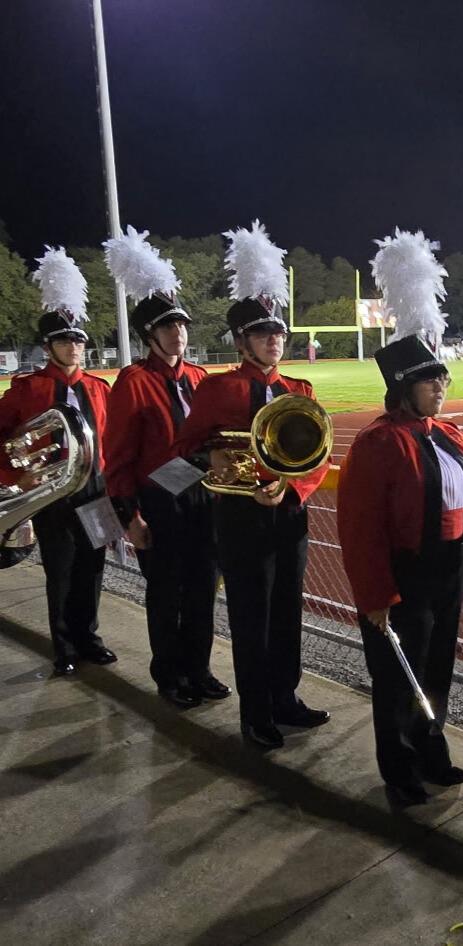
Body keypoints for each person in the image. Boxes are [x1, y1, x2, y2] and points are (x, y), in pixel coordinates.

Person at [338, 228, 463, 807]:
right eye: (430, 378)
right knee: (398, 675)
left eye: (443, 376)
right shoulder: (377, 442)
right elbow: (360, 530)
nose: (441, 385)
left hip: (446, 569)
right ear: (403, 386)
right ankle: (399, 767)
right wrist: (375, 595)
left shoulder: (450, 435)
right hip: (403, 575)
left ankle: (432, 750)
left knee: (437, 667)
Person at [173, 221, 330, 748]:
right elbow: (185, 448)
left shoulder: (299, 389)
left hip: (288, 514)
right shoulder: (218, 390)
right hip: (240, 517)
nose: (274, 341)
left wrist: (293, 489)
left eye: (278, 333)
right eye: (263, 334)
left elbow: (318, 457)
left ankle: (286, 698)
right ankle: (255, 713)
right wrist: (211, 457)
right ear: (241, 341)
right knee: (250, 616)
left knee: (287, 610)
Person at [104, 227, 228, 709]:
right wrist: (129, 517)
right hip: (160, 502)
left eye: (182, 326)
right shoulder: (133, 382)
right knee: (166, 595)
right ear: (149, 335)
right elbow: (119, 457)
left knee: (202, 590)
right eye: (168, 327)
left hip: (203, 498)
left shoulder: (199, 377)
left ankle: (199, 669)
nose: (179, 333)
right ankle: (170, 675)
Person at [0, 247, 116, 675]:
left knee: (93, 567)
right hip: (53, 493)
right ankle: (65, 647)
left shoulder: (100, 389)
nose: (75, 347)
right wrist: (19, 476)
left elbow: (112, 440)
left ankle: (90, 638)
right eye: (66, 340)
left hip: (96, 488)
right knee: (62, 571)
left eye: (79, 340)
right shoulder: (27, 389)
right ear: (48, 346)